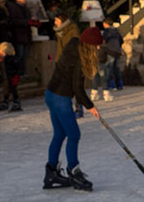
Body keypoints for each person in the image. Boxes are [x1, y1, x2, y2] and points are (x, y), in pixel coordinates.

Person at [43, 25, 102, 190]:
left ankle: (51, 173)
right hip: (60, 98)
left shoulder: (73, 46)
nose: (98, 49)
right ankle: (74, 172)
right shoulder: (78, 58)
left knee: (60, 134)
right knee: (74, 134)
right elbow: (78, 88)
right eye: (97, 45)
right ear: (90, 45)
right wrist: (91, 106)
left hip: (51, 94)